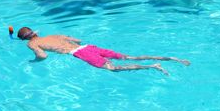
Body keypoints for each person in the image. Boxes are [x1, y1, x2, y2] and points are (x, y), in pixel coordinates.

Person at [17, 27, 190, 74]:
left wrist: (34, 61)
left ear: (25, 39)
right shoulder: (55, 34)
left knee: (113, 69)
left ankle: (153, 66)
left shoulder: (31, 44)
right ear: (35, 32)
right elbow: (77, 40)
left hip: (80, 53)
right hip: (88, 47)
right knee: (130, 56)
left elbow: (43, 55)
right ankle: (174, 59)